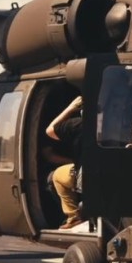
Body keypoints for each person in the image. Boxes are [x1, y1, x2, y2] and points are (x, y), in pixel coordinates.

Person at [44, 95, 84, 228]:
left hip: (87, 176)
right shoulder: (116, 124)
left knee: (55, 177)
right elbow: (49, 154)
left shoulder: (78, 124)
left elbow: (50, 130)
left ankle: (74, 216)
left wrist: (71, 108)